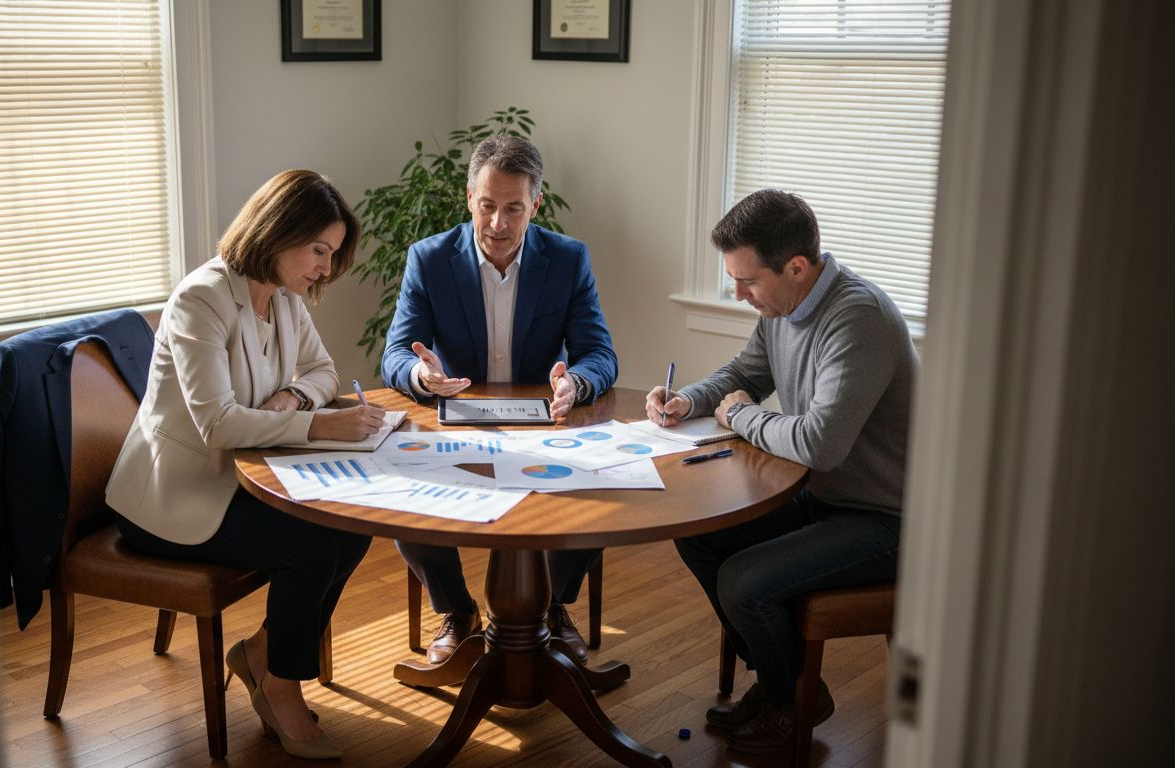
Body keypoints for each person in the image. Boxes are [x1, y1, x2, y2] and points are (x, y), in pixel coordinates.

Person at [105, 170, 384, 760]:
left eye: (331, 255)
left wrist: (294, 399)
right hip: (174, 498)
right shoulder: (201, 299)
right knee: (311, 544)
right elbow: (219, 424)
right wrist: (318, 422)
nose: (325, 269)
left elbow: (324, 372)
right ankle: (280, 684)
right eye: (318, 251)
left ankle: (262, 654)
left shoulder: (283, 298)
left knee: (352, 527)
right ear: (279, 232)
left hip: (240, 482)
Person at [647, 189, 915, 755]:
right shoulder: (784, 306)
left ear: (796, 267)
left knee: (745, 581)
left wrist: (740, 415)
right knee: (697, 528)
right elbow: (745, 372)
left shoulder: (857, 318)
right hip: (824, 500)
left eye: (747, 281)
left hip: (886, 520)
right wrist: (686, 400)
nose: (739, 294)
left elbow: (820, 444)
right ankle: (784, 684)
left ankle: (791, 699)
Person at [381, 135, 618, 665]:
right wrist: (421, 373)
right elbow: (395, 352)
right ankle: (456, 610)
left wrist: (575, 384)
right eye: (487, 206)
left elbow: (600, 354)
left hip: (542, 428)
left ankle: (552, 607)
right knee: (400, 499)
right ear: (469, 197)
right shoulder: (430, 258)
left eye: (513, 208)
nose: (497, 223)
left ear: (535, 204)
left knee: (605, 489)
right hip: (456, 427)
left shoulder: (568, 259)